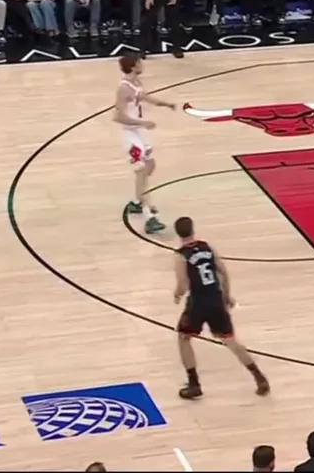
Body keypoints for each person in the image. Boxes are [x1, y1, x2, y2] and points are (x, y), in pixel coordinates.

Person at [172, 216, 270, 399]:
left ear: (177, 233)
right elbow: (223, 271)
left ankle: (194, 384)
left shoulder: (180, 255)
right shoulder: (207, 247)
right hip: (216, 298)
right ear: (193, 229)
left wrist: (177, 294)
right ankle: (258, 376)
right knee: (231, 340)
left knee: (184, 338)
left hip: (198, 302)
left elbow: (183, 284)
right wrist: (226, 295)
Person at [114, 53, 176, 235]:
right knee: (141, 171)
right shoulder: (123, 88)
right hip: (130, 133)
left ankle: (137, 201)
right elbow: (118, 117)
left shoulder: (136, 83)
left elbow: (146, 97)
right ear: (133, 66)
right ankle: (149, 218)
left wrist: (165, 104)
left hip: (139, 132)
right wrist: (143, 123)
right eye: (140, 63)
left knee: (150, 166)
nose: (142, 65)